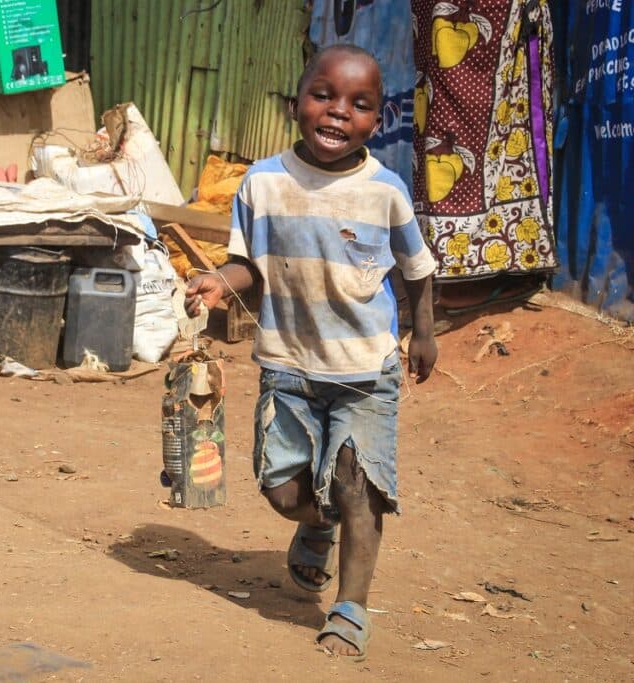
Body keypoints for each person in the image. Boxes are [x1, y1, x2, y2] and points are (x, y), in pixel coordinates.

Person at [185, 44, 438, 660]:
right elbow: (250, 264)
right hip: (288, 365)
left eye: (359, 105)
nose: (337, 113)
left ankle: (349, 608)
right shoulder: (263, 182)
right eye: (324, 96)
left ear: (376, 121)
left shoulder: (386, 192)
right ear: (297, 101)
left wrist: (424, 333)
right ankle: (315, 527)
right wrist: (221, 280)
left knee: (359, 489)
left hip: (364, 371)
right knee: (285, 494)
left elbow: (418, 270)